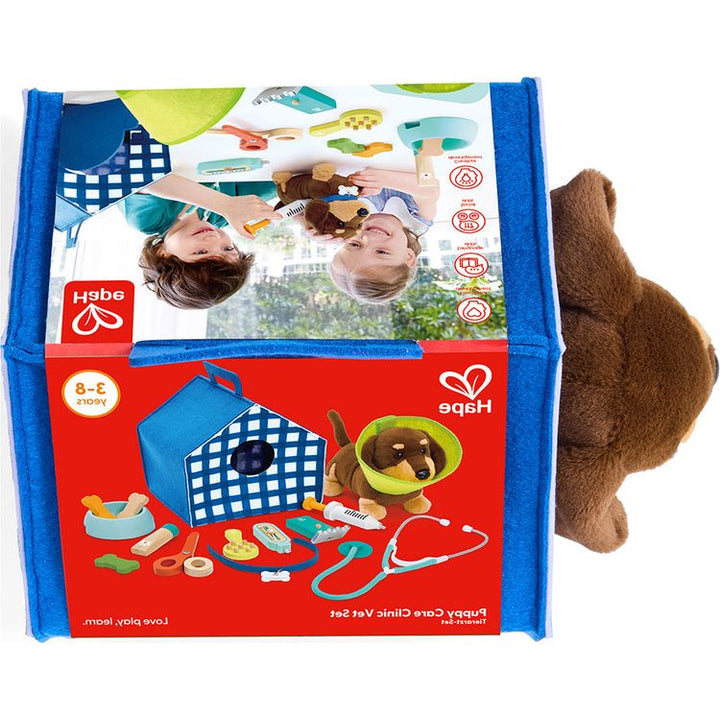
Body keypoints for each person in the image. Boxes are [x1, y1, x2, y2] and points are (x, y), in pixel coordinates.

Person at [123, 173, 280, 309]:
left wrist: (225, 204)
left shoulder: (147, 219)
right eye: (227, 249)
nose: (214, 239)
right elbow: (278, 180)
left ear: (162, 254)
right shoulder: (219, 218)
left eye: (200, 252)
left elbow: (148, 178)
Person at [327, 169, 438, 303]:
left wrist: (308, 222)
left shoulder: (344, 217)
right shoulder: (417, 221)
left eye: (355, 244)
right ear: (408, 256)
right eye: (382, 252)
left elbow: (310, 191)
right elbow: (429, 187)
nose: (369, 238)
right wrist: (383, 179)